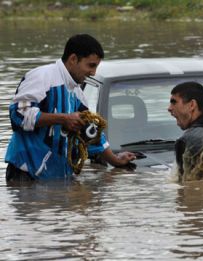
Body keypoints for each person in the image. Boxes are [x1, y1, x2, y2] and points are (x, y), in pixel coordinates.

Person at [5, 34, 135, 182]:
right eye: (91, 65)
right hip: (25, 175)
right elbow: (18, 115)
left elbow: (90, 133)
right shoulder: (41, 76)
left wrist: (116, 161)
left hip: (57, 178)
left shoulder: (78, 94)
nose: (93, 73)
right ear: (73, 59)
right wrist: (63, 119)